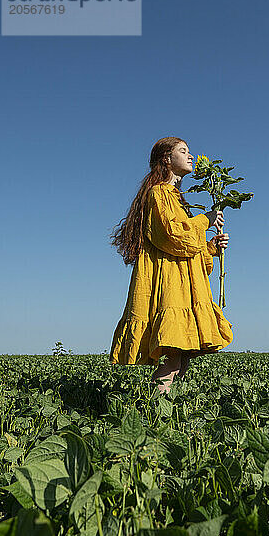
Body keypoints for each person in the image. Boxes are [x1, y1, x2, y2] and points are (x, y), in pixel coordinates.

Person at [109, 136, 233, 394]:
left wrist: (211, 247)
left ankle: (165, 410)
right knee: (174, 354)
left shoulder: (177, 198)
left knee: (182, 357)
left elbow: (186, 248)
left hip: (182, 282)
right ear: (166, 159)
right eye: (183, 151)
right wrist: (204, 221)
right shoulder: (158, 194)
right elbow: (171, 235)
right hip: (170, 285)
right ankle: (154, 413)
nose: (190, 156)